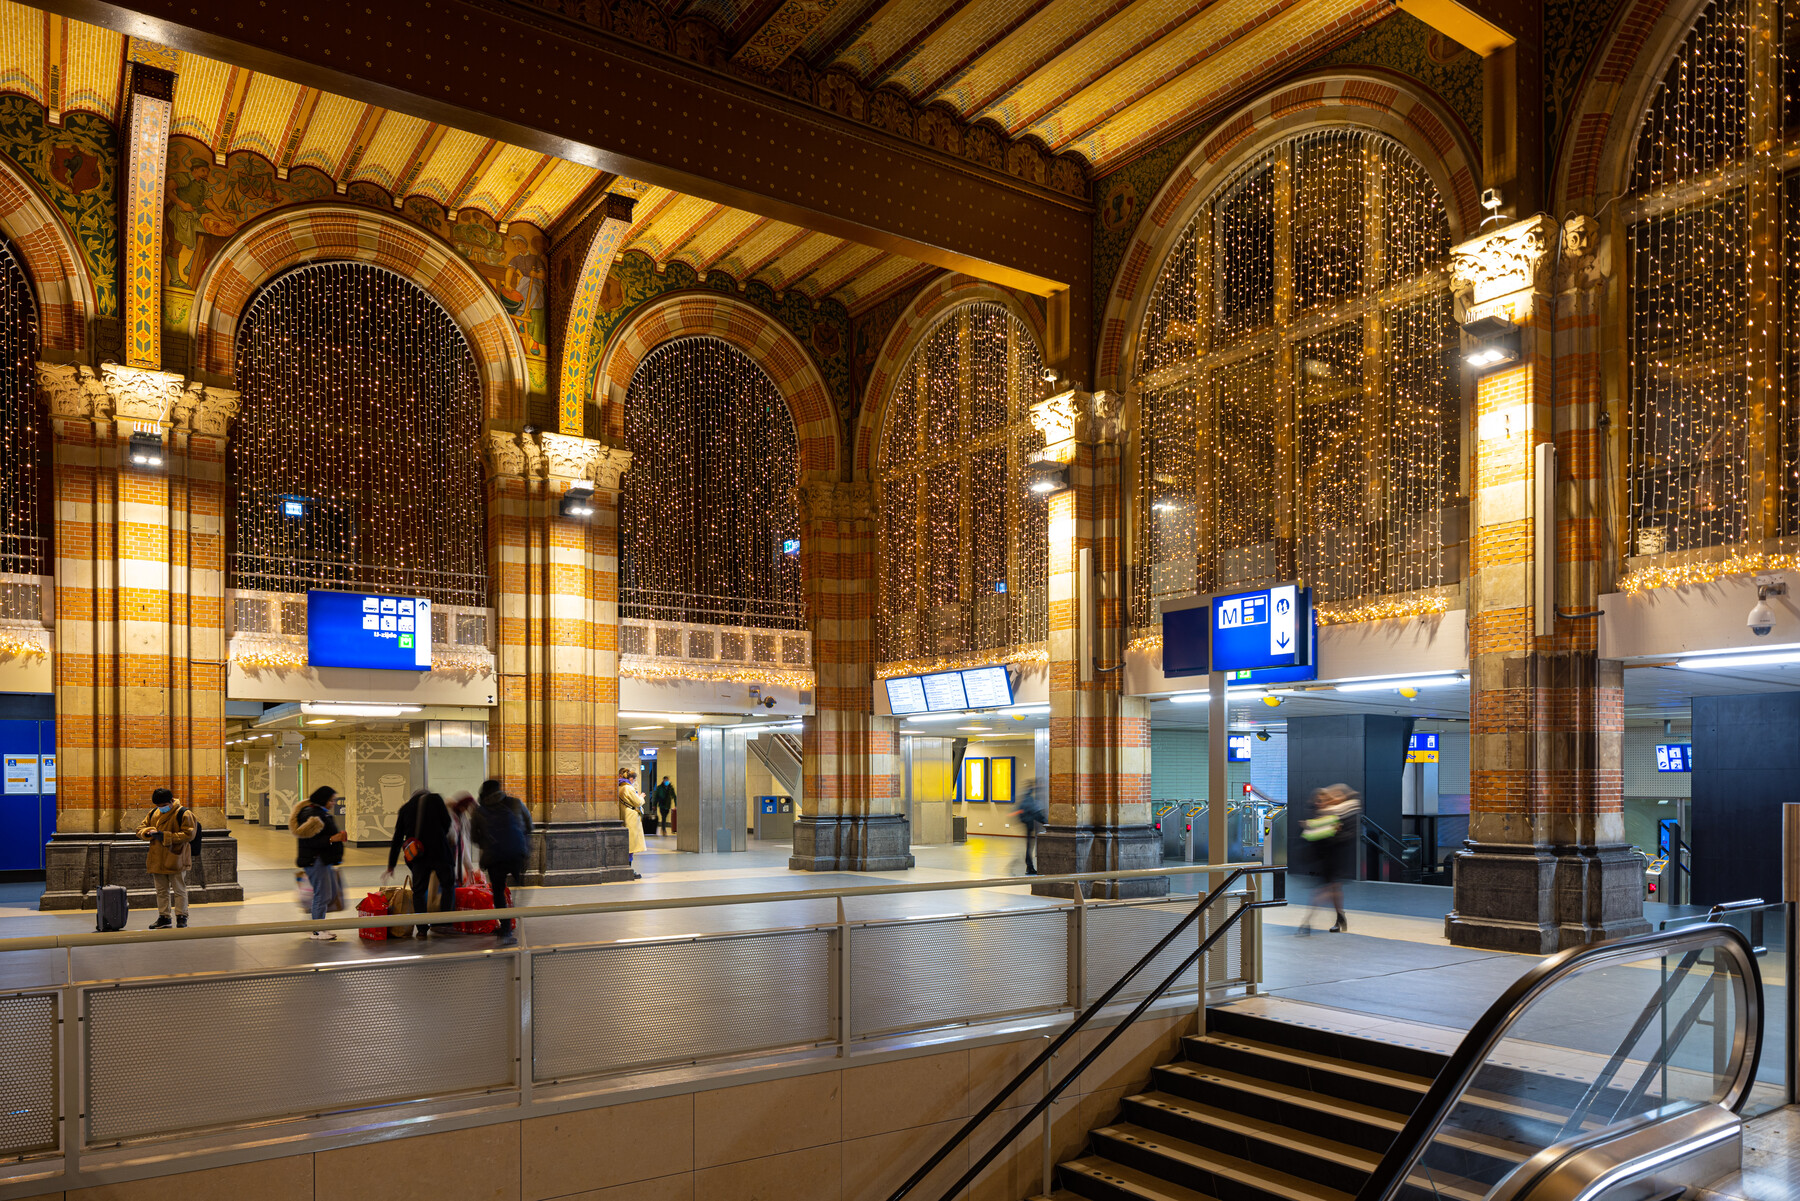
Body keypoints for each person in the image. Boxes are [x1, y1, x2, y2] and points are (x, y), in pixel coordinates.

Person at [385, 789, 455, 938]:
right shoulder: (436, 799)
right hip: (440, 852)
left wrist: (391, 865)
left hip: (418, 855)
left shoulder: (405, 808)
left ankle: (422, 929)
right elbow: (447, 822)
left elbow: (397, 838)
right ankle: (444, 923)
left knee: (419, 892)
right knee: (448, 886)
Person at [473, 779, 534, 942]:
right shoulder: (515, 803)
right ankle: (517, 914)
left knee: (498, 892)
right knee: (518, 887)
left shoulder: (479, 811)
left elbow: (473, 836)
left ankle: (506, 928)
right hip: (516, 854)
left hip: (494, 857)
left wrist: (486, 842)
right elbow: (529, 825)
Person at [1299, 784, 1360, 934]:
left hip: (1335, 856)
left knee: (1324, 891)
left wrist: (1334, 831)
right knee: (1333, 889)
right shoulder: (1322, 813)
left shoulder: (1340, 813)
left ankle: (1308, 921)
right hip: (1323, 857)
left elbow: (1348, 834)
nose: (1318, 802)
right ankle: (1340, 917)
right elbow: (1311, 836)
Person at [291, 786, 348, 940]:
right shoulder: (312, 815)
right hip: (316, 861)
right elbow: (310, 841)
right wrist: (332, 839)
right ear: (324, 799)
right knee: (321, 895)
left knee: (326, 894)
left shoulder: (318, 812)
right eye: (331, 800)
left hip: (322, 860)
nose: (334, 803)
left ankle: (320, 926)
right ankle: (317, 930)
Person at [137, 787, 197, 929]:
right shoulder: (153, 813)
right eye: (158, 806)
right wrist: (148, 832)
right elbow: (140, 829)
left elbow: (189, 835)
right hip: (157, 858)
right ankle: (164, 917)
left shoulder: (184, 813)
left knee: (179, 889)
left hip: (176, 857)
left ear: (171, 801)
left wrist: (165, 836)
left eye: (163, 806)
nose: (161, 808)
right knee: (161, 891)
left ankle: (182, 916)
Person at [1014, 780, 1048, 875]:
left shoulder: (1025, 797)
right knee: (1029, 847)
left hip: (1027, 824)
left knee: (1029, 846)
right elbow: (1035, 813)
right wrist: (1045, 822)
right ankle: (1029, 867)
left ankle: (1029, 867)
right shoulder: (1029, 799)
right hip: (1029, 825)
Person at [617, 769, 647, 861]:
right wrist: (641, 797)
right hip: (631, 817)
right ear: (631, 778)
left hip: (625, 814)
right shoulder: (628, 788)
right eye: (634, 780)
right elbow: (637, 802)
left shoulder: (620, 787)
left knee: (629, 842)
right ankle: (629, 867)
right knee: (631, 844)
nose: (634, 782)